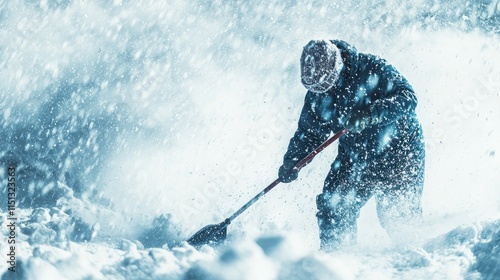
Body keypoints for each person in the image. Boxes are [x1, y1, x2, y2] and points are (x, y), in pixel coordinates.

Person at [278, 39, 425, 251]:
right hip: (355, 155)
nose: (321, 92)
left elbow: (408, 98)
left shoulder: (373, 68)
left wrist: (371, 114)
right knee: (334, 206)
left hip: (400, 151)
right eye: (315, 89)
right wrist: (293, 160)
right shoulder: (318, 95)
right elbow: (309, 133)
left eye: (325, 84)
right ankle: (336, 262)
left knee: (398, 217)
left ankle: (419, 261)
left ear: (337, 67)